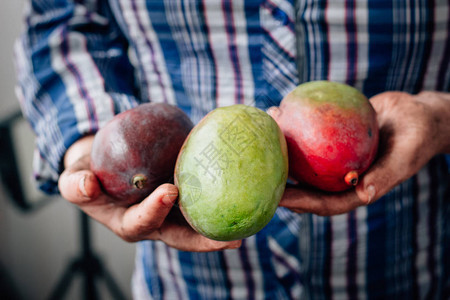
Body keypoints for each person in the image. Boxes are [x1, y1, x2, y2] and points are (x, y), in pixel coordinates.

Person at [15, 0, 449, 298]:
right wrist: (92, 145)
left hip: (409, 263)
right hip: (190, 278)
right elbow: (61, 22)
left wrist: (442, 118)